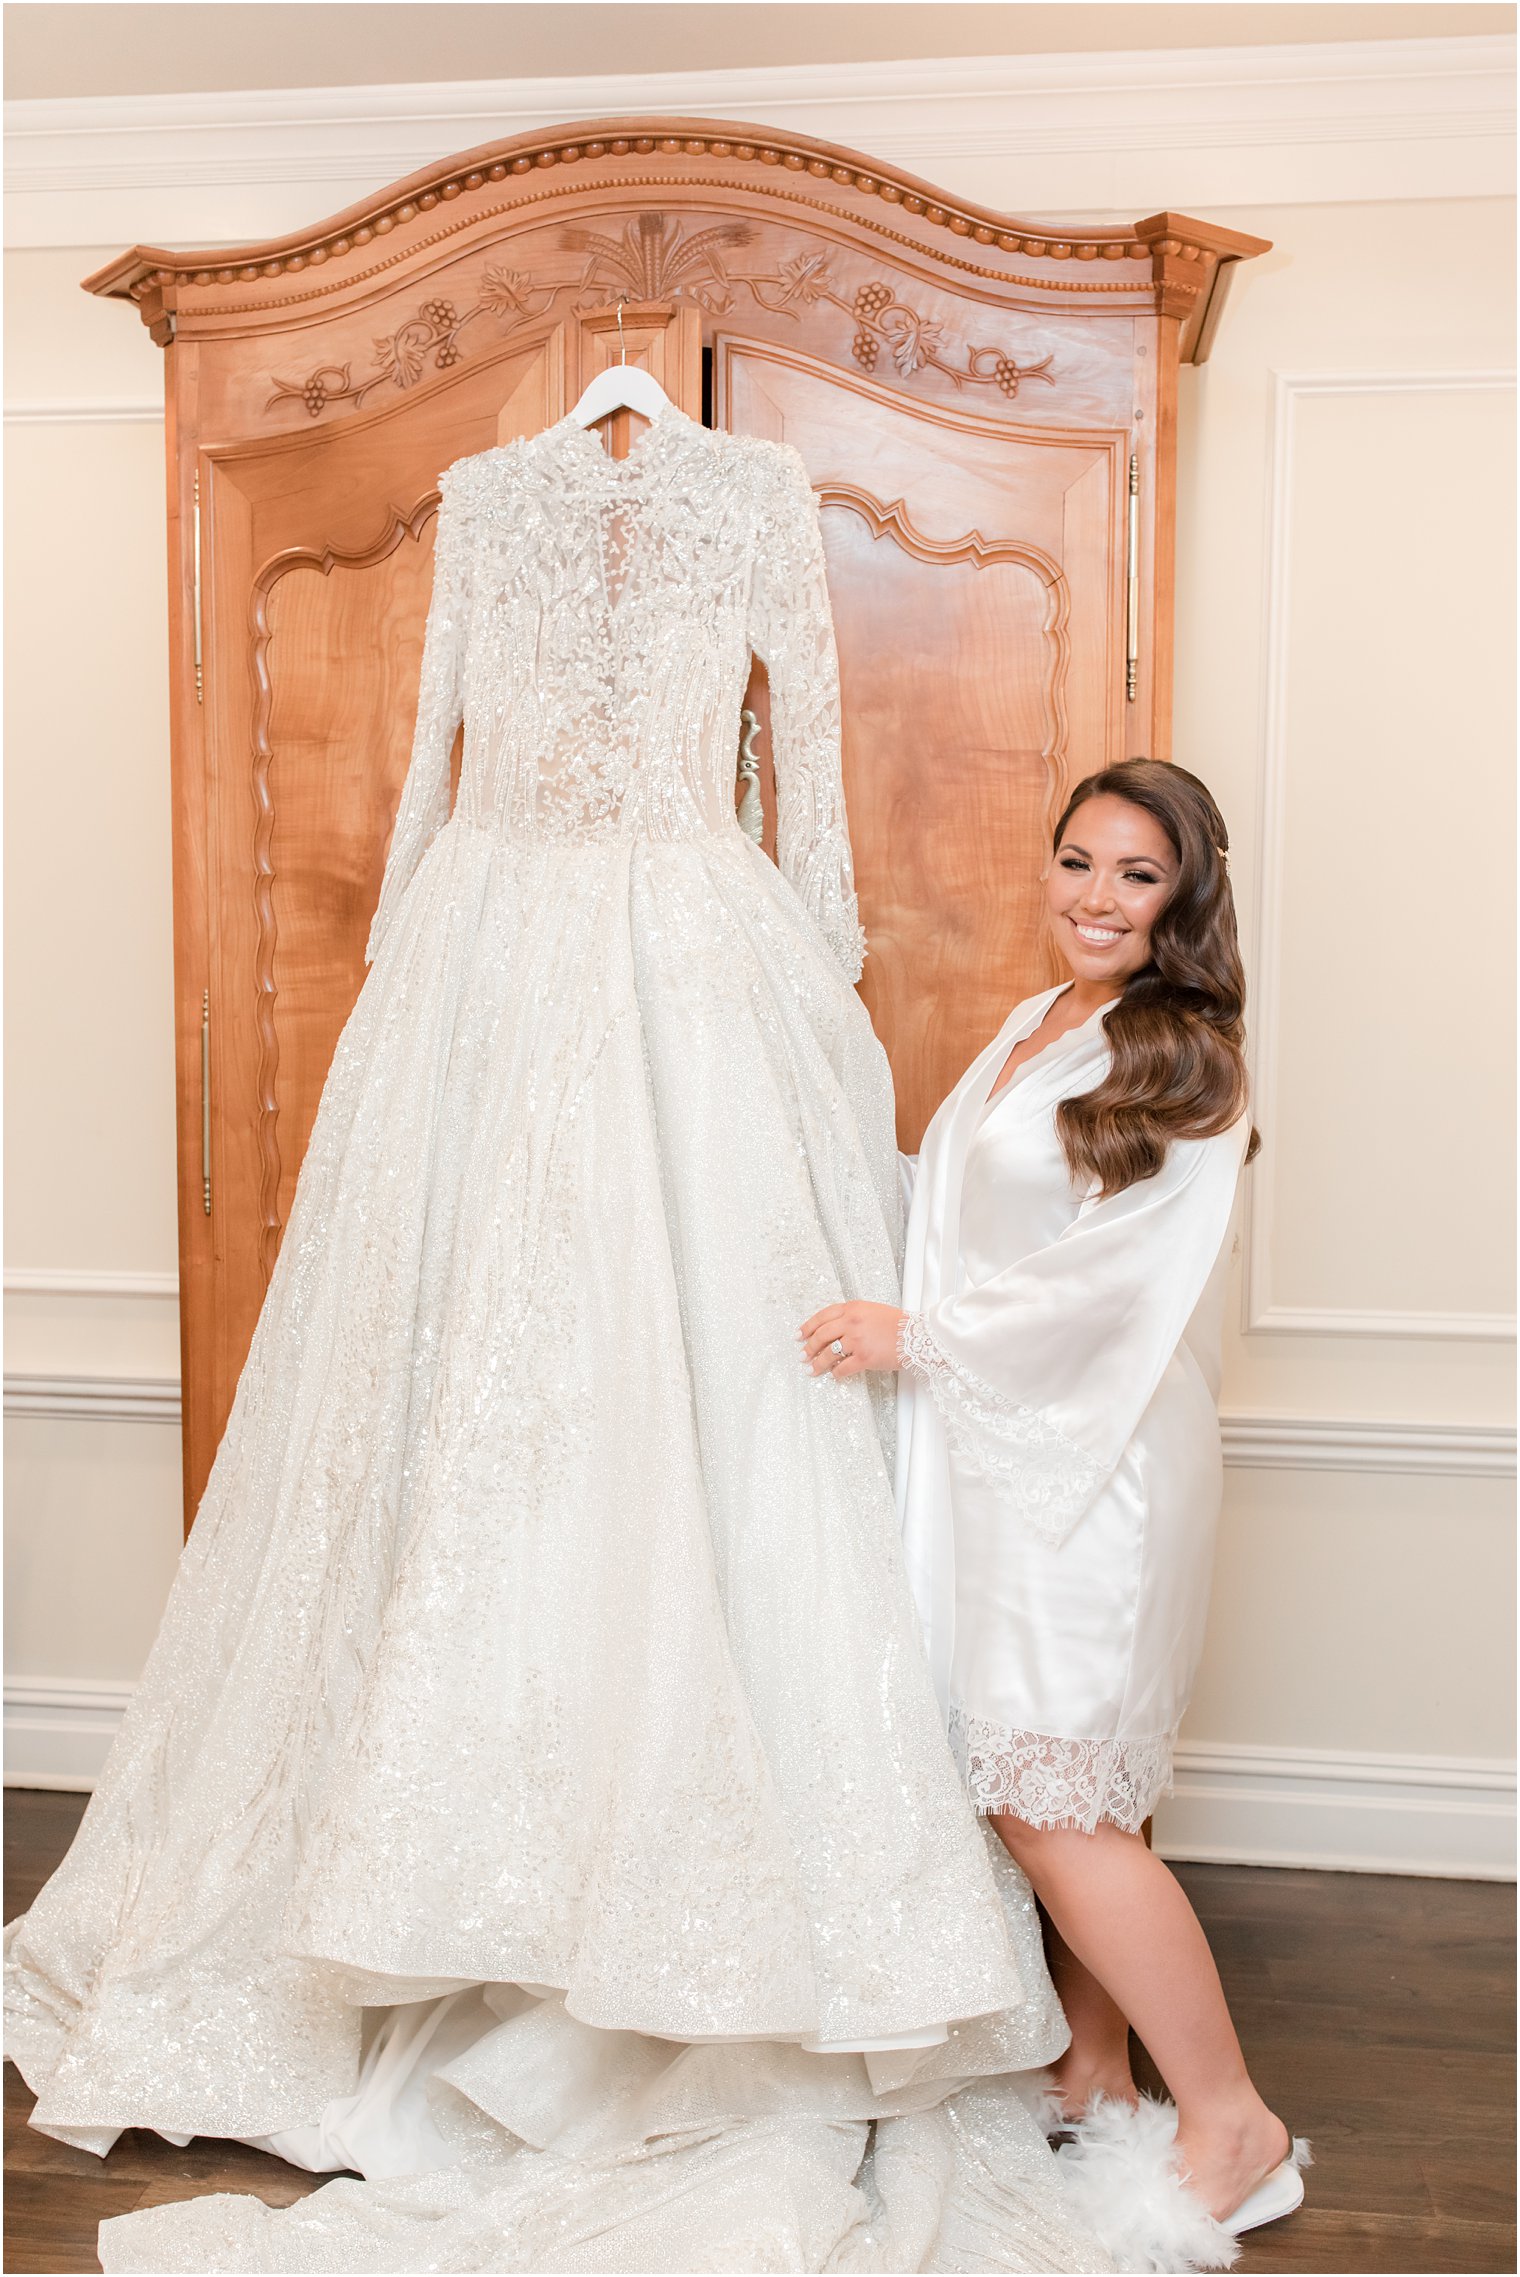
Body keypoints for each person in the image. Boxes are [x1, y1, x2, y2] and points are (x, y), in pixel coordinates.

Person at [5, 404, 1110, 2274]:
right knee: (471, 1382)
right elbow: (439, 749)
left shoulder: (752, 496)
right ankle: (447, 1877)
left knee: (697, 1388)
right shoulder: (492, 498)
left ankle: (659, 1885)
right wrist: (435, 944)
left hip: (663, 932)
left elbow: (807, 755)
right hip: (508, 947)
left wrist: (814, 952)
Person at [801, 759, 1310, 2271]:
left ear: (1186, 898)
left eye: (1134, 875)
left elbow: (1112, 1285)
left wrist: (921, 1338)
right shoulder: (1039, 1023)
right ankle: (1100, 2070)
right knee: (1065, 1789)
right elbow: (967, 1212)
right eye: (1076, 861)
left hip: (1095, 1468)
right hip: (995, 1458)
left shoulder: (1188, 1062)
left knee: (1057, 1802)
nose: (1093, 896)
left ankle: (1232, 2121)